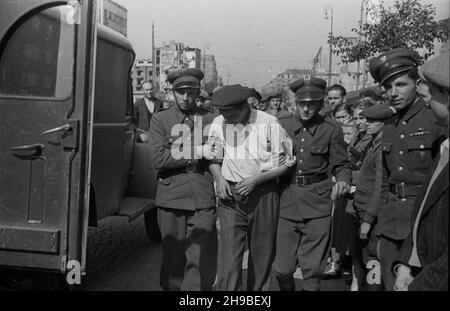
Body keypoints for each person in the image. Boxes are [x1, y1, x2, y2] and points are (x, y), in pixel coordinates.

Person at [368, 47, 447, 290]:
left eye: (401, 85)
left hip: (425, 228)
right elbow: (384, 180)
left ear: (417, 83)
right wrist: (378, 225)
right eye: (388, 87)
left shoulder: (436, 120)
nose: (393, 93)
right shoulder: (389, 124)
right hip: (391, 224)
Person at [206, 84, 295, 291]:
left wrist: (256, 180)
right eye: (224, 115)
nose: (227, 120)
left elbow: (287, 163)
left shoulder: (269, 123)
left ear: (245, 107)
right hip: (231, 196)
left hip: (263, 194)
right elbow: (212, 158)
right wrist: (219, 179)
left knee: (261, 255)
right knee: (229, 258)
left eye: (231, 115)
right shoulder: (219, 122)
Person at [274, 77, 352, 291]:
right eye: (302, 103)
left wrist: (343, 181)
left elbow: (342, 165)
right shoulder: (282, 125)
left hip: (317, 204)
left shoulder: (331, 129)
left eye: (312, 104)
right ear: (295, 103)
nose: (306, 108)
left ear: (320, 104)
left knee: (313, 269)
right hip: (286, 202)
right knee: (282, 268)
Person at [148, 68, 218, 291]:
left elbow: (218, 155)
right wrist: (198, 151)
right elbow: (159, 159)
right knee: (173, 259)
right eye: (181, 92)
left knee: (201, 259)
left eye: (191, 92)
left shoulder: (210, 119)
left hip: (203, 197)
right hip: (171, 199)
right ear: (173, 92)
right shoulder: (161, 119)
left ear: (198, 92)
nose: (186, 98)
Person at [393, 52, 449, 291]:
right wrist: (407, 264)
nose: (426, 101)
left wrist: (421, 285)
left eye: (432, 93)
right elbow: (424, 215)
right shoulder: (445, 148)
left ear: (447, 97)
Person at [352, 104, 395, 291]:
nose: (366, 124)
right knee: (364, 258)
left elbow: (380, 186)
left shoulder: (381, 148)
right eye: (365, 120)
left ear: (384, 123)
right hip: (362, 209)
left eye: (372, 121)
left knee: (372, 260)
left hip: (370, 213)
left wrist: (368, 219)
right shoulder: (373, 143)